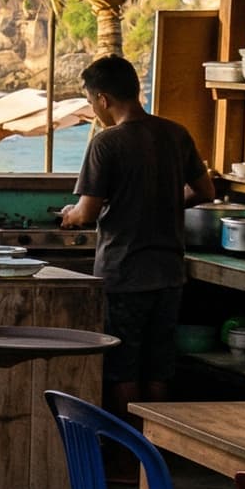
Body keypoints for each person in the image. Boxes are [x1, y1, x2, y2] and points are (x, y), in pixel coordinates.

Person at [59, 54, 214, 419]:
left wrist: (70, 216)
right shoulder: (175, 134)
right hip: (170, 273)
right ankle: (153, 455)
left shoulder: (106, 143)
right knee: (158, 366)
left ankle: (128, 459)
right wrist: (168, 202)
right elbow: (205, 191)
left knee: (122, 366)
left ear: (102, 100)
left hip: (125, 273)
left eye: (89, 102)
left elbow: (87, 211)